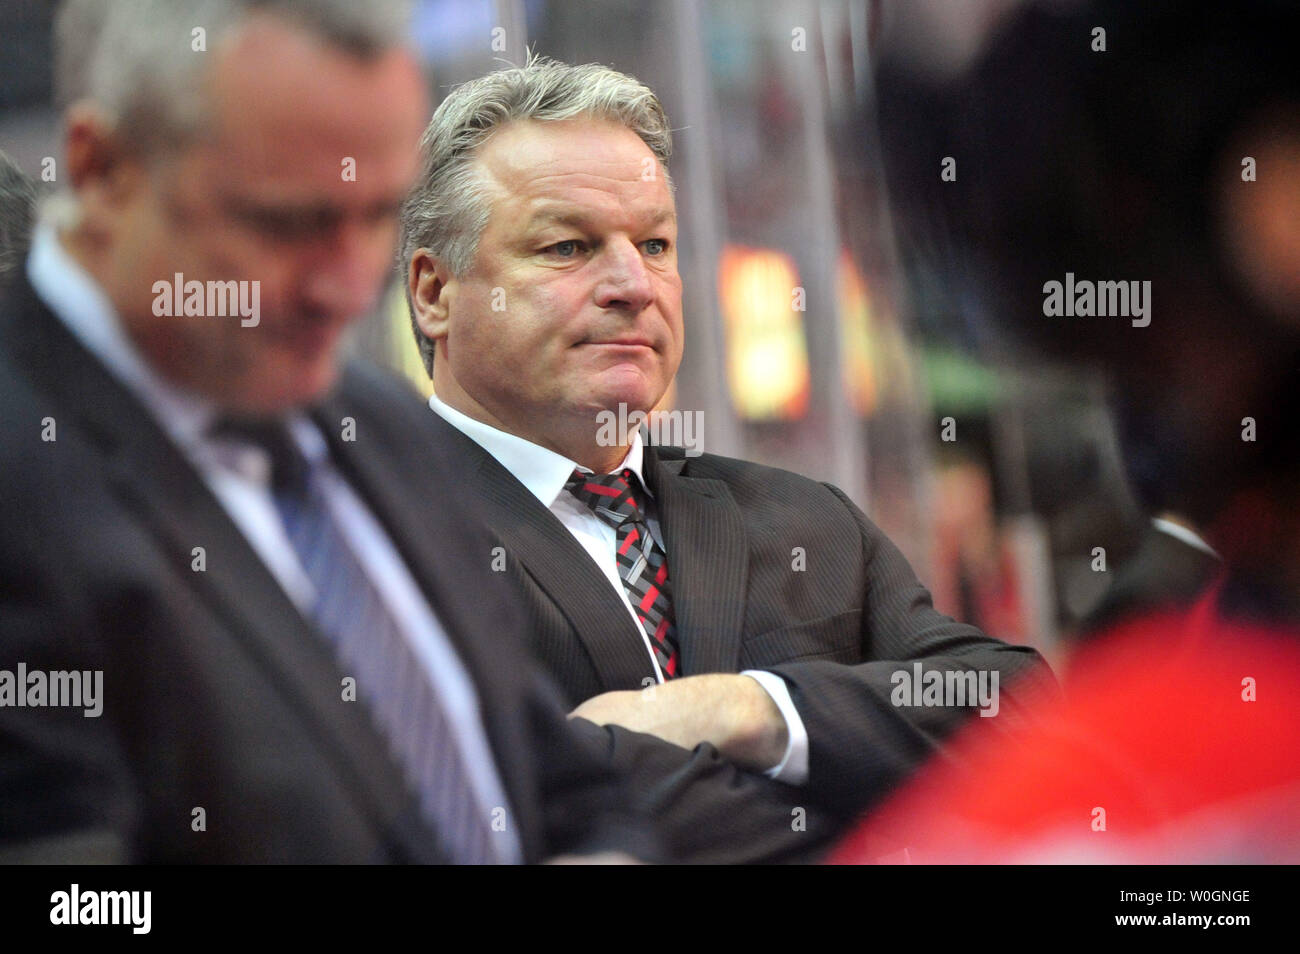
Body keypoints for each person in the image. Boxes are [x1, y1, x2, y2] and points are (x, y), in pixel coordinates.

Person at [0, 0, 653, 864]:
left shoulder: (379, 424)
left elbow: (560, 790)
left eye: (377, 214)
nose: (346, 288)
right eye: (288, 224)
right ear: (105, 171)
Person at [399, 55, 1055, 817]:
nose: (633, 286)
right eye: (567, 248)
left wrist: (751, 709)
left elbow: (1015, 699)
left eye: (655, 246)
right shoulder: (375, 538)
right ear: (434, 293)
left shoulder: (805, 520)